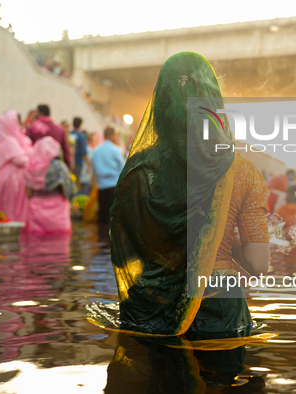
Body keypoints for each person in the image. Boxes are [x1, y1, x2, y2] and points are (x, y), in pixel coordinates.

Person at [108, 51, 270, 337]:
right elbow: (258, 264)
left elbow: (123, 258)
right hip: (218, 307)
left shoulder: (139, 170)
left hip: (147, 308)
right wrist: (215, 235)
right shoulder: (242, 171)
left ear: (160, 102)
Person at [25, 136, 74, 235]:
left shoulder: (30, 168)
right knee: (60, 245)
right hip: (58, 213)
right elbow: (68, 192)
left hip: (36, 212)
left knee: (36, 246)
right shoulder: (59, 167)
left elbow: (29, 194)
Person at [0, 110, 33, 222]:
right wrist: (32, 159)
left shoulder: (16, 139)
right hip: (11, 180)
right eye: (18, 123)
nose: (20, 126)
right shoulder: (8, 140)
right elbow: (20, 159)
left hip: (15, 179)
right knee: (11, 207)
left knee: (14, 206)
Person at [90, 126, 125, 224]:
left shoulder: (95, 151)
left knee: (102, 213)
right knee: (113, 215)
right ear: (111, 135)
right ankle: (109, 237)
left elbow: (93, 169)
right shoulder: (116, 150)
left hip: (101, 185)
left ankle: (101, 236)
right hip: (114, 185)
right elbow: (123, 168)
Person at [26, 104, 72, 171]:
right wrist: (67, 168)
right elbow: (66, 152)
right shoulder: (59, 129)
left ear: (41, 113)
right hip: (53, 168)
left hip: (36, 168)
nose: (34, 114)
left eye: (36, 112)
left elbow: (26, 145)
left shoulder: (33, 127)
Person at [70, 117, 92, 184]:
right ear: (80, 125)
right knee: (75, 184)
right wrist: (88, 165)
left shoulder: (68, 134)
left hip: (68, 162)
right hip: (77, 163)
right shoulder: (81, 136)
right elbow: (84, 153)